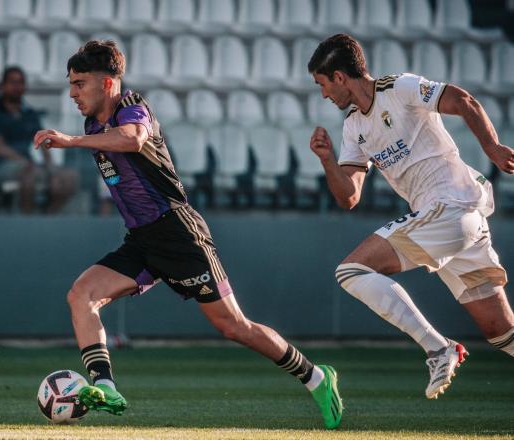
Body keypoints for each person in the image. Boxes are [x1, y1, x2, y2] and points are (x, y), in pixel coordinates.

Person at [33, 40, 343, 429]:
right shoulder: (93, 124)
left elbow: (133, 140)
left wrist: (71, 141)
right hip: (142, 240)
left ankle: (316, 376)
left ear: (108, 84)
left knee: (233, 326)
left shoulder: (132, 105)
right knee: (82, 295)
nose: (72, 92)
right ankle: (106, 387)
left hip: (179, 233)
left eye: (80, 83)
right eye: (71, 84)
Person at [307, 34, 514, 399]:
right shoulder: (354, 125)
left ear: (339, 77)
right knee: (502, 332)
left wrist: (493, 148)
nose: (323, 94)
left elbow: (463, 100)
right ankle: (440, 348)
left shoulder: (400, 88)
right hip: (452, 222)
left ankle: (438, 349)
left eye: (322, 84)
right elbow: (350, 196)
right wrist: (326, 160)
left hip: (451, 207)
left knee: (350, 271)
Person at [0, 66, 77, 214]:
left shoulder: (29, 113)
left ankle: (47, 219)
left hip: (26, 165)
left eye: (20, 82)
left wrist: (51, 168)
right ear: (3, 86)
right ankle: (27, 221)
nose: (16, 86)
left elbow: (44, 142)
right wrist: (25, 162)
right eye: (12, 82)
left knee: (69, 176)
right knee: (29, 172)